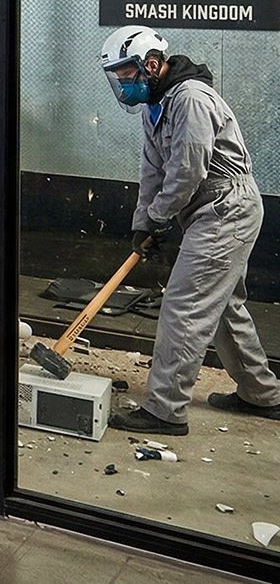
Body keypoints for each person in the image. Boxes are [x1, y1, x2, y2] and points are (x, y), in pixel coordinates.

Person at [98, 25, 280, 436]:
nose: (122, 84)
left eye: (126, 74)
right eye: (117, 77)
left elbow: (187, 170)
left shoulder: (191, 98)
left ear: (151, 65)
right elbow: (152, 171)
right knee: (223, 307)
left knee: (185, 305)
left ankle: (165, 410)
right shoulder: (155, 106)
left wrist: (161, 217)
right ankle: (262, 393)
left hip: (225, 206)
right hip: (203, 208)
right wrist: (143, 223)